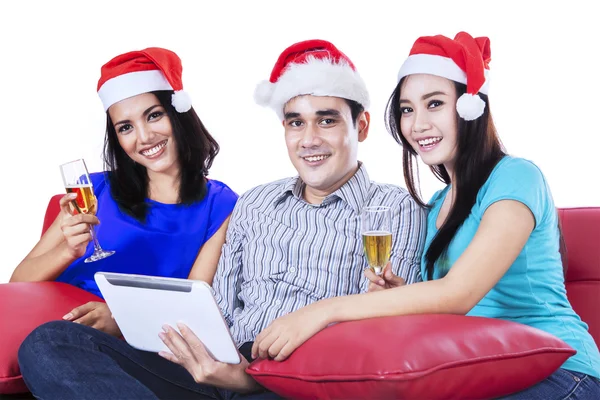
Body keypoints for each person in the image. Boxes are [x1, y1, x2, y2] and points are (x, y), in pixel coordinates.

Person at [18, 39, 426, 399]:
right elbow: (215, 307)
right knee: (47, 344)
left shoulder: (393, 209)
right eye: (296, 122)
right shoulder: (253, 204)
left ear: (362, 125)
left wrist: (249, 377)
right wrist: (213, 362)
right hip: (209, 368)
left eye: (327, 119)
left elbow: (363, 336)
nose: (309, 139)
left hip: (295, 376)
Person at [251, 32, 600, 398]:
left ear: (468, 107)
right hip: (483, 369)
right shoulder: (435, 205)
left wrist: (322, 311)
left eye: (434, 104)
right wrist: (402, 295)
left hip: (558, 370)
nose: (417, 124)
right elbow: (444, 307)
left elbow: (459, 293)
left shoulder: (515, 176)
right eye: (406, 109)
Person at [10, 47, 238, 337]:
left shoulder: (220, 205)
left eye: (154, 116)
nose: (144, 137)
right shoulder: (93, 190)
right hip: (56, 322)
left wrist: (122, 321)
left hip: (128, 342)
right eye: (126, 127)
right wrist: (68, 250)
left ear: (178, 114)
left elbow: (194, 305)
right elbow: (17, 283)